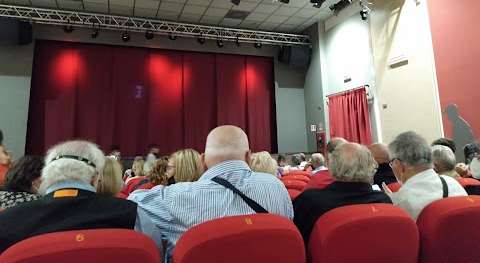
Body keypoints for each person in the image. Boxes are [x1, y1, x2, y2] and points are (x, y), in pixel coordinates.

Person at [129, 125, 293, 263]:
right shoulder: (276, 187)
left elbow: (130, 205)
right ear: (248, 157)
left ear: (203, 160)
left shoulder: (173, 198)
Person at [0, 140, 163, 255]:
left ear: (47, 177)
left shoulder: (8, 220)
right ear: (95, 177)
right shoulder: (132, 215)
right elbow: (154, 256)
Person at [293, 142, 392, 246]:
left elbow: (296, 245)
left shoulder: (308, 202)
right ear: (372, 168)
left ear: (331, 167)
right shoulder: (384, 202)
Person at [383, 131, 467, 221]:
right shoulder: (454, 184)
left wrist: (393, 199)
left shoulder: (398, 203)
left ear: (397, 164)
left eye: (391, 163)